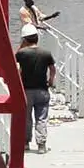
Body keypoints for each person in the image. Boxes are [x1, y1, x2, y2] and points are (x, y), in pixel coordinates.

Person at [15, 23, 56, 153]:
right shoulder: (46, 53)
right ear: (37, 37)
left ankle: (26, 143)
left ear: (25, 39)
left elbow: (14, 63)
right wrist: (50, 80)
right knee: (42, 118)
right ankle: (41, 145)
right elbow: (52, 69)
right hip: (42, 91)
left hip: (26, 91)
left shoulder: (22, 53)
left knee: (26, 118)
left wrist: (22, 45)